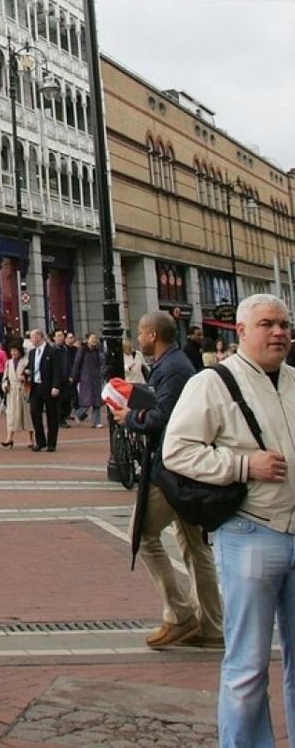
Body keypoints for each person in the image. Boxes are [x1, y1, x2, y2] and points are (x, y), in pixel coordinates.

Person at [162, 295, 295, 746]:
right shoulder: (212, 383)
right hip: (251, 530)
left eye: (284, 324)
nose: (278, 332)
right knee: (248, 666)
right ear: (241, 331)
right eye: (267, 324)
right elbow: (176, 450)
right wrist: (243, 466)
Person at [110, 310, 223, 651]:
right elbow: (165, 402)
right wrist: (135, 394)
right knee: (194, 546)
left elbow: (166, 418)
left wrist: (131, 417)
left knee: (142, 534)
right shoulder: (174, 365)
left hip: (171, 468)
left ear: (153, 335)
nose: (139, 337)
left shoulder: (173, 367)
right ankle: (212, 624)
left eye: (142, 333)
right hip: (184, 468)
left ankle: (180, 614)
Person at [26, 328, 62, 452]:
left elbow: (57, 370)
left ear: (39, 337)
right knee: (34, 412)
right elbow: (30, 366)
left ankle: (52, 442)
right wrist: (26, 372)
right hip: (36, 387)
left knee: (52, 415)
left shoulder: (52, 351)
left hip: (49, 386)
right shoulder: (31, 353)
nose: (31, 340)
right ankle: (40, 441)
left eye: (32, 337)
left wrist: (56, 386)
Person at [0, 343, 33, 449]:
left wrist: (26, 378)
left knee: (27, 415)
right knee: (11, 415)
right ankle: (9, 438)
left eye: (15, 350)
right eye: (12, 351)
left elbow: (32, 374)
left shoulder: (26, 361)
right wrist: (5, 386)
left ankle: (30, 439)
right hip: (12, 392)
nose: (13, 353)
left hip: (24, 391)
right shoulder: (8, 363)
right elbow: (5, 378)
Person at [73, 333, 106, 427]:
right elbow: (77, 362)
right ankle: (79, 413)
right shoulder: (82, 350)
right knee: (87, 400)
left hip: (96, 377)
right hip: (86, 377)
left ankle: (97, 422)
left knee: (97, 401)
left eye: (95, 338)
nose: (94, 340)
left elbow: (102, 362)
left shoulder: (98, 350)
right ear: (87, 340)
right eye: (92, 338)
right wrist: (74, 375)